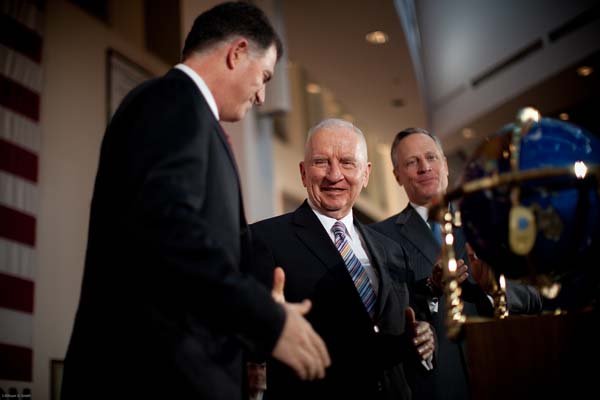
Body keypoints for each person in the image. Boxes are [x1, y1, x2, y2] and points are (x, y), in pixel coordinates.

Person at [61, 3, 330, 400]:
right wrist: (266, 319)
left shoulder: (190, 113)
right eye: (265, 76)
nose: (262, 96)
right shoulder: (171, 100)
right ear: (237, 52)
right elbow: (168, 233)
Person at [247, 119, 435, 400]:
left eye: (347, 163)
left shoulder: (391, 249)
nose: (334, 175)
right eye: (322, 161)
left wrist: (421, 336)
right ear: (303, 172)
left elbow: (402, 324)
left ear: (366, 173)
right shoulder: (263, 240)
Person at [371, 127, 543, 400]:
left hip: (503, 373)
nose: (424, 167)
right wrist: (430, 289)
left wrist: (494, 290)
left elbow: (536, 295)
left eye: (431, 157)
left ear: (446, 164)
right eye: (412, 162)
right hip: (435, 386)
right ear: (396, 175)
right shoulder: (379, 237)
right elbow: (388, 314)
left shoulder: (491, 221)